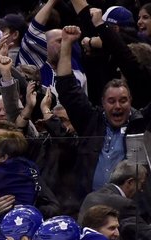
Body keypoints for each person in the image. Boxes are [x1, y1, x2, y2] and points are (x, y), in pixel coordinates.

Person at [55, 25, 148, 200]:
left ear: (131, 102)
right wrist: (66, 43)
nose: (118, 106)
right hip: (88, 206)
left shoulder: (141, 124)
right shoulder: (90, 121)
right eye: (111, 101)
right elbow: (66, 88)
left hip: (131, 211)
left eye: (123, 100)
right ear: (103, 103)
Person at [79, 160, 147, 224]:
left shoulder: (90, 197)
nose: (141, 189)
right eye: (141, 184)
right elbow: (143, 233)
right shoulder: (125, 204)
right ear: (130, 182)